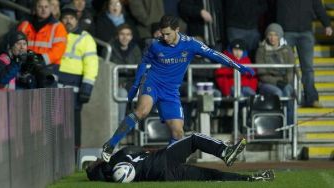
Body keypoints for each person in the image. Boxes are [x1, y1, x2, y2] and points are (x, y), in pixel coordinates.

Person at [101, 15, 255, 161]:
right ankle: (110, 145)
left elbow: (214, 54)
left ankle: (166, 163)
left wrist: (238, 66)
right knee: (142, 111)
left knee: (178, 132)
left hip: (171, 91)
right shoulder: (155, 44)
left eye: (168, 34)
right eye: (163, 34)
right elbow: (143, 62)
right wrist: (136, 84)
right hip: (152, 83)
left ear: (177, 30)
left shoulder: (191, 44)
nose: (165, 37)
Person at [87, 133, 274, 182]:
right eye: (94, 162)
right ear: (98, 165)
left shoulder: (111, 174)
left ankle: (251, 178)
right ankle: (225, 152)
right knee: (194, 139)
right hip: (164, 158)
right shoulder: (117, 158)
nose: (97, 159)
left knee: (209, 176)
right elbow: (140, 149)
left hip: (166, 174)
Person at [276, 0, 333, 107]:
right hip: (287, 32)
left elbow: (318, 6)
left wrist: (327, 24)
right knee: (288, 68)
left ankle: (311, 99)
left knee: (308, 68)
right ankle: (291, 98)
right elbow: (272, 8)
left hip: (306, 32)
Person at [59, 5, 99, 151]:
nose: (68, 21)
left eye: (71, 18)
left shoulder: (85, 38)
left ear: (77, 20)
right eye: (65, 18)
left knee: (73, 121)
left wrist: (87, 87)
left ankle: (74, 154)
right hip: (56, 82)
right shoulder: (56, 35)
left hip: (75, 84)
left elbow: (91, 65)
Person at [255, 23, 295, 125]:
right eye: (270, 35)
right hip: (267, 83)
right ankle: (277, 125)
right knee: (278, 93)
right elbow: (261, 73)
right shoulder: (261, 50)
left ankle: (289, 126)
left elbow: (291, 69)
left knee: (289, 92)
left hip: (284, 82)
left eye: (275, 35)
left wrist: (286, 81)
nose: (273, 38)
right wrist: (277, 82)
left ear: (280, 36)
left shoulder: (287, 49)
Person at [18, 0, 67, 75]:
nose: (43, 9)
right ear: (35, 8)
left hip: (48, 68)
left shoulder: (58, 27)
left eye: (46, 7)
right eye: (40, 6)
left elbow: (59, 50)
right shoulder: (25, 24)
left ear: (50, 8)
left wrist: (41, 59)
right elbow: (16, 44)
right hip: (25, 66)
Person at [109, 23, 142, 123]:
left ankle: (140, 127)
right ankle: (120, 126)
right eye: (122, 34)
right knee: (122, 93)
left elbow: (140, 69)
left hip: (131, 82)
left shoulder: (135, 49)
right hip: (114, 83)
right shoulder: (110, 48)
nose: (125, 37)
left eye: (128, 34)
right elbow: (106, 70)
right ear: (117, 35)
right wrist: (118, 82)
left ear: (131, 36)